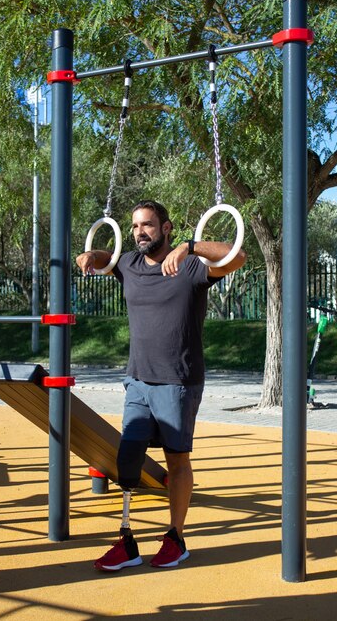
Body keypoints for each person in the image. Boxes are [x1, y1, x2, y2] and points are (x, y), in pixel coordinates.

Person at [76, 200, 246, 571]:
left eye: (147, 225)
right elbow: (107, 256)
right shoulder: (129, 266)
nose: (140, 232)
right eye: (135, 226)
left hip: (178, 381)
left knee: (176, 459)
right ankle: (127, 541)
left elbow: (237, 256)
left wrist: (191, 246)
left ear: (166, 228)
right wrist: (91, 254)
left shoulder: (191, 268)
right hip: (137, 379)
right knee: (127, 459)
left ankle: (176, 537)